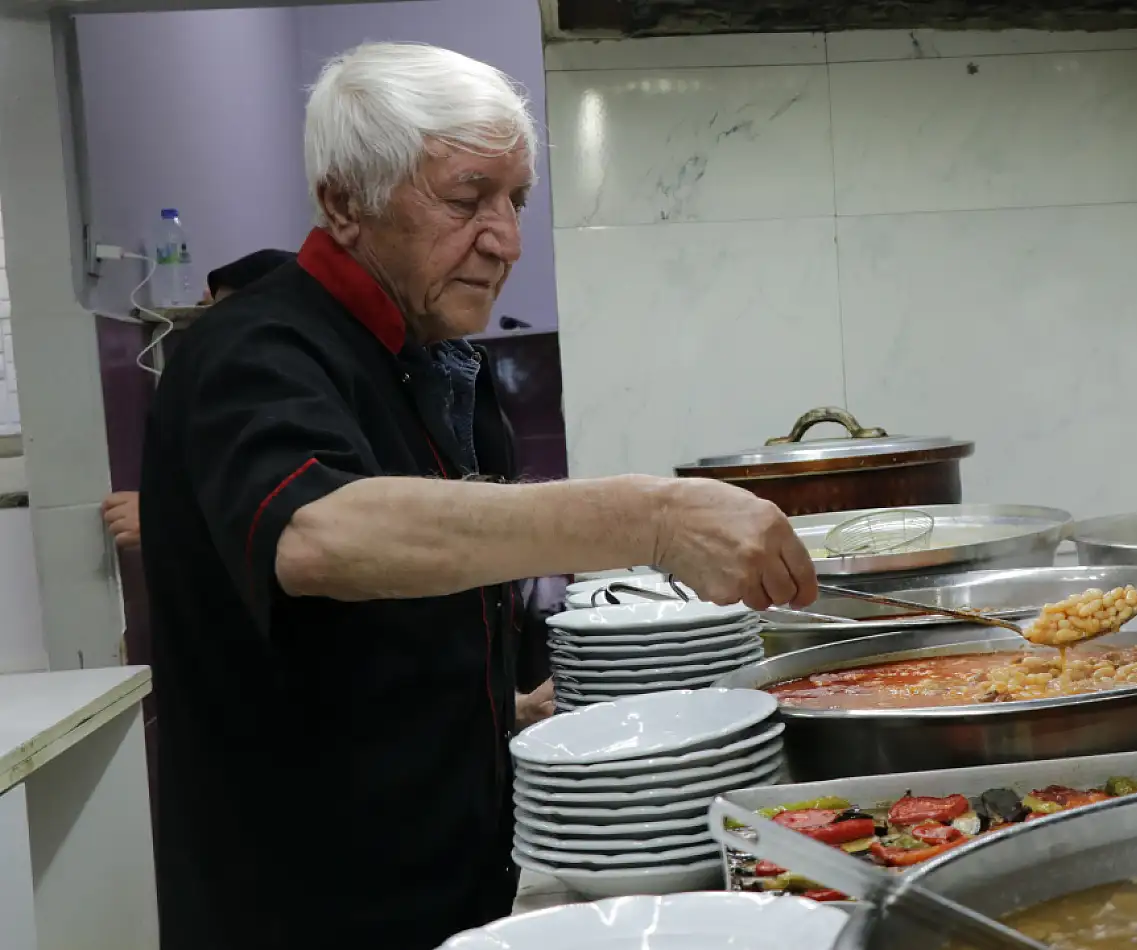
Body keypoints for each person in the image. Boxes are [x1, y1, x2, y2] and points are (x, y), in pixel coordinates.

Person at [140, 42, 818, 950]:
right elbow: (319, 537)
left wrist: (505, 703)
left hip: (454, 874)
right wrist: (652, 515)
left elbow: (405, 615)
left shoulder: (439, 362)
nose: (505, 238)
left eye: (517, 200)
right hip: (312, 904)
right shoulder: (249, 353)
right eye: (465, 199)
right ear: (344, 201)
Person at [101, 249, 296, 549]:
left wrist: (165, 520)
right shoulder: (232, 386)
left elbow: (289, 512)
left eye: (223, 314)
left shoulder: (287, 393)